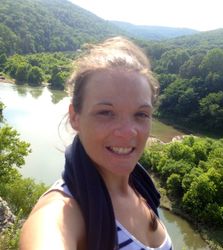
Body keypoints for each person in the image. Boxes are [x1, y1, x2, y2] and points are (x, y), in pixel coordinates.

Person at [19, 36, 173, 250]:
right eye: (106, 113)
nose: (128, 132)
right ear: (75, 117)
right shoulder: (61, 211)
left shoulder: (141, 187)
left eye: (141, 114)